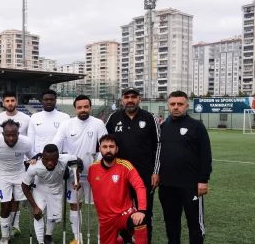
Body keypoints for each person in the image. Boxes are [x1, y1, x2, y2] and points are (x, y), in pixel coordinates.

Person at [105, 87, 160, 243]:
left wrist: (155, 171)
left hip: (144, 174)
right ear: (122, 99)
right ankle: (127, 240)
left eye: (133, 97)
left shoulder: (149, 118)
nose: (130, 100)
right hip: (120, 175)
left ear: (139, 99)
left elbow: (158, 146)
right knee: (121, 211)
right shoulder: (114, 118)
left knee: (145, 211)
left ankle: (145, 240)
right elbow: (104, 144)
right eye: (127, 97)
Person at [52, 94, 108, 244]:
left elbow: (105, 146)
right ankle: (78, 237)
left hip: (94, 173)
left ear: (90, 107)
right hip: (73, 174)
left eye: (86, 107)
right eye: (80, 107)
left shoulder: (98, 124)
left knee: (99, 205)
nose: (83, 110)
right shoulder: (67, 124)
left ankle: (103, 236)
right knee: (74, 204)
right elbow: (56, 144)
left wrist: (97, 166)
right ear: (75, 108)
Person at [158, 91, 212, 244]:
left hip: (191, 185)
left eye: (180, 104)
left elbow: (205, 155)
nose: (176, 107)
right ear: (168, 106)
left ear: (187, 106)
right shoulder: (162, 127)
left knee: (195, 224)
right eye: (173, 104)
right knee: (171, 224)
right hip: (167, 185)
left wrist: (203, 180)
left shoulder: (197, 127)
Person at [0, 119, 34, 244]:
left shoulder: (25, 142)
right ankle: (4, 236)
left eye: (14, 135)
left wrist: (35, 159)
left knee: (15, 201)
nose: (11, 138)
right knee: (5, 205)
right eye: (8, 135)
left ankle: (12, 228)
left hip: (19, 174)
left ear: (18, 134)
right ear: (2, 134)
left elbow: (32, 155)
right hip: (2, 175)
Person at [88, 134, 148, 244]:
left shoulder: (125, 166)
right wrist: (76, 182)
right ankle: (127, 240)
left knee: (140, 221)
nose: (108, 150)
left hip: (124, 214)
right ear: (100, 149)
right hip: (106, 221)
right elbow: (84, 183)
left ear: (117, 149)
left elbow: (139, 186)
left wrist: (141, 210)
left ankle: (129, 238)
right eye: (104, 147)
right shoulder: (93, 169)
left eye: (111, 146)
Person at [22, 144, 80, 244]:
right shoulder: (34, 167)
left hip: (56, 188)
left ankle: (48, 235)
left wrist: (77, 178)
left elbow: (79, 161)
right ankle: (41, 242)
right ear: (42, 157)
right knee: (38, 213)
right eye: (46, 159)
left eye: (53, 160)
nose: (50, 163)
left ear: (58, 157)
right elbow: (24, 185)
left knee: (53, 216)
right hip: (40, 188)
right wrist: (34, 206)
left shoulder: (65, 159)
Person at [28, 89, 70, 155]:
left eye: (51, 99)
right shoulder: (34, 117)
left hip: (58, 158)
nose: (49, 102)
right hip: (39, 158)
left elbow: (66, 141)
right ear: (42, 101)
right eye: (46, 100)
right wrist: (32, 157)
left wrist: (65, 156)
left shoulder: (65, 117)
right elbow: (31, 140)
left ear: (55, 101)